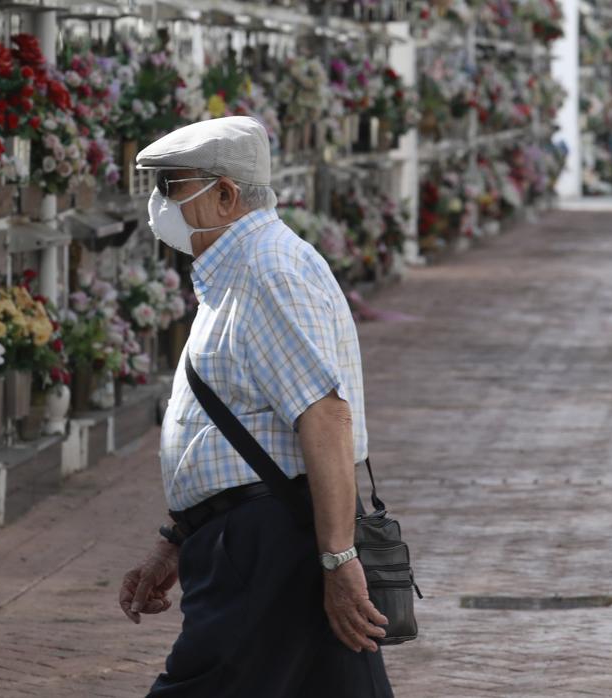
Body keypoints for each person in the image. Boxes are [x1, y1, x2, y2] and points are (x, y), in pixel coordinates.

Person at [117, 115, 395, 698]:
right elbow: (240, 421)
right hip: (256, 537)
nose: (157, 204)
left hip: (266, 550)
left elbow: (325, 417)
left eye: (171, 186)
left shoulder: (267, 270)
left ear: (224, 195)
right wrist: (176, 538)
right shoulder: (238, 270)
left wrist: (339, 561)